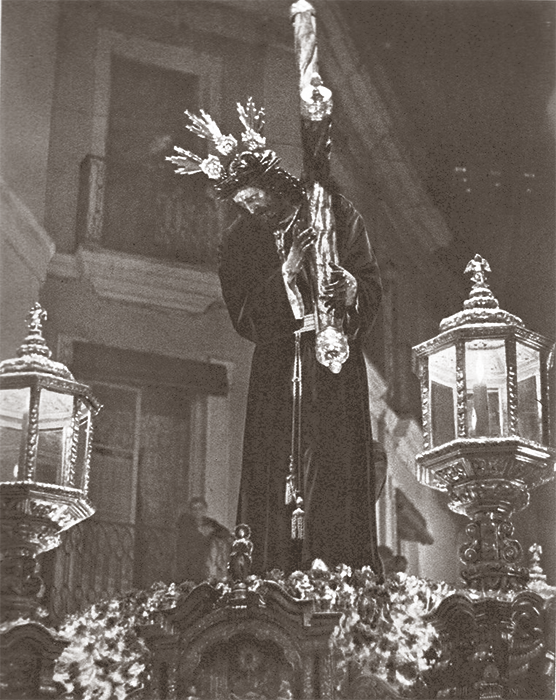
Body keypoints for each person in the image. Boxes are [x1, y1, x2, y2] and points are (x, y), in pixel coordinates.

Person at [168, 101, 383, 576]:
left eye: (254, 197)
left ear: (270, 182)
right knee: (274, 462)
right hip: (279, 364)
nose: (251, 207)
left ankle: (337, 567)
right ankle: (273, 568)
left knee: (332, 460)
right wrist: (286, 275)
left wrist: (349, 287)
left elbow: (369, 283)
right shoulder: (242, 241)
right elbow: (244, 317)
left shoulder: (335, 214)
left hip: (332, 361)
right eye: (242, 203)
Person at [175, 497, 232, 583]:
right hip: (191, 561)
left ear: (205, 509)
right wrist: (201, 534)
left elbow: (225, 532)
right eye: (194, 509)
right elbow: (185, 542)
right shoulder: (186, 523)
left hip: (208, 561)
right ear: (191, 511)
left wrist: (211, 532)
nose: (198, 511)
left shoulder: (210, 522)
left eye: (200, 508)